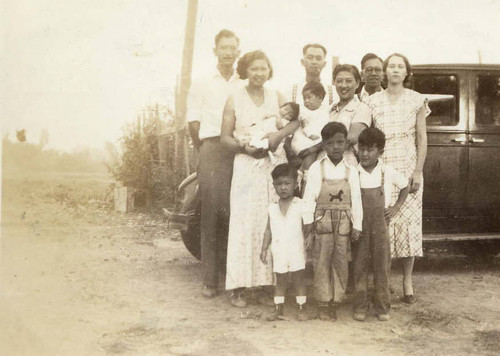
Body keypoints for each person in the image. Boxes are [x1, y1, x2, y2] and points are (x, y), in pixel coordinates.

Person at [221, 50, 300, 307]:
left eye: (263, 68)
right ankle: (239, 286)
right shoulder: (234, 98)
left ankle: (268, 285)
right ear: (245, 70)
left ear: (269, 70)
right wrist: (244, 148)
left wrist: (277, 137)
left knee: (272, 221)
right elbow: (225, 138)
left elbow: (295, 122)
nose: (258, 73)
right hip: (247, 165)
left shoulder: (277, 96)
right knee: (244, 224)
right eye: (253, 68)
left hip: (272, 165)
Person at [366, 53, 430, 304]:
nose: (394, 70)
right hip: (383, 163)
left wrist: (418, 170)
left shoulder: (416, 99)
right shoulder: (372, 101)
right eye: (390, 66)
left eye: (399, 66)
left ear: (406, 73)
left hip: (408, 162)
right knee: (385, 220)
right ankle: (387, 280)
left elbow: (422, 138)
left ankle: (407, 280)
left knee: (408, 223)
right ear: (384, 72)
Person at [186, 29, 243, 298]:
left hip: (240, 149)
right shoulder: (201, 82)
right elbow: (193, 121)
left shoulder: (243, 81)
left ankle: (235, 279)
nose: (228, 53)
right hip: (211, 148)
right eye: (224, 48)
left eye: (232, 48)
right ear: (215, 50)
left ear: (238, 52)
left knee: (237, 212)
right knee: (211, 212)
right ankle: (210, 280)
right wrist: (206, 150)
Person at [303, 122, 363, 321]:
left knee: (341, 262)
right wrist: (307, 221)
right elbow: (309, 197)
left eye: (340, 142)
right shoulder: (316, 169)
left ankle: (336, 301)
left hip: (344, 223)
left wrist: (357, 225)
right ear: (324, 146)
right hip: (322, 222)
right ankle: (322, 302)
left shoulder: (351, 170)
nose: (336, 147)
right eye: (330, 143)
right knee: (321, 261)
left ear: (346, 143)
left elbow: (356, 200)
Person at [353, 128, 409, 322]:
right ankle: (360, 306)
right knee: (360, 267)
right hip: (360, 226)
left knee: (382, 267)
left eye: (370, 149)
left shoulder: (387, 171)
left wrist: (396, 207)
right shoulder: (354, 172)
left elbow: (405, 186)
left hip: (380, 227)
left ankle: (382, 307)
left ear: (380, 152)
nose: (365, 154)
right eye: (362, 149)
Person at [260, 164, 313, 321]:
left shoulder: (300, 205)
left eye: (287, 183)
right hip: (279, 249)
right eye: (279, 184)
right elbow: (268, 230)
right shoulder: (272, 208)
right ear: (274, 185)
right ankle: (278, 308)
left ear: (295, 184)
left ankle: (302, 307)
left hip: (296, 248)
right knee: (280, 279)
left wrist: (308, 239)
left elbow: (308, 226)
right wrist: (264, 248)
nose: (283, 187)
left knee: (298, 278)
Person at [286, 44, 338, 168]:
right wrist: (291, 155)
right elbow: (285, 125)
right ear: (303, 62)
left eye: (318, 58)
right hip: (297, 152)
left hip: (325, 151)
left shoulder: (333, 91)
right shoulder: (292, 90)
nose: (314, 62)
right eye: (310, 57)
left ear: (324, 63)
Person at [330, 64, 372, 166]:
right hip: (323, 162)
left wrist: (314, 148)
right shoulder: (330, 109)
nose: (343, 85)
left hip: (347, 163)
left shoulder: (361, 108)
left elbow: (351, 138)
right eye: (339, 81)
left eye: (348, 81)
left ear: (357, 83)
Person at [234, 102, 299, 163]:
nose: (285, 113)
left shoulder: (285, 121)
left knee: (261, 142)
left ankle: (253, 145)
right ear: (281, 107)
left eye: (289, 115)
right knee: (253, 135)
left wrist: (277, 117)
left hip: (270, 135)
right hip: (263, 130)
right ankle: (245, 141)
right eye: (285, 109)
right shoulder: (274, 112)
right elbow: (264, 118)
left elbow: (280, 127)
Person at [294, 82, 330, 174]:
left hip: (316, 140)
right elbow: (304, 124)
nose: (306, 101)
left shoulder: (324, 111)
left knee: (315, 154)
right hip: (304, 139)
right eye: (304, 98)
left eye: (309, 97)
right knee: (311, 154)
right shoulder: (304, 111)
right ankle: (306, 173)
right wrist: (310, 135)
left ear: (320, 98)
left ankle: (301, 172)